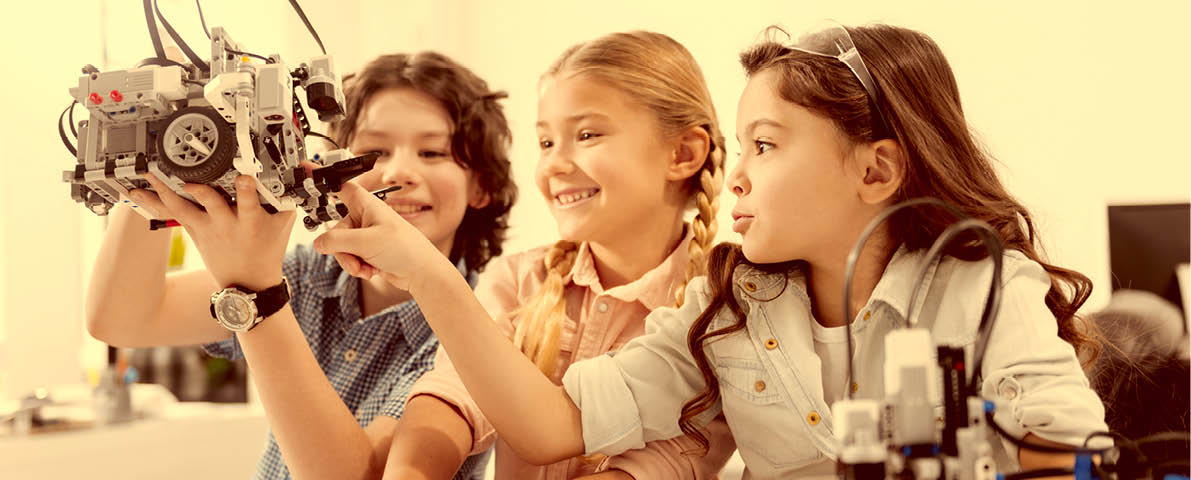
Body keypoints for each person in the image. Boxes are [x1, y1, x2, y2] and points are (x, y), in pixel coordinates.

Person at [313, 23, 1108, 478]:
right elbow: (555, 426)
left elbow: (1065, 447)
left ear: (875, 169)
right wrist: (421, 266)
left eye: (764, 146)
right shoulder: (728, 309)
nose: (739, 177)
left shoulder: (983, 289)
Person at [85, 51, 515, 480]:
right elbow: (123, 319)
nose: (398, 172)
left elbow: (360, 476)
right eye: (375, 151)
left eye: (434, 152)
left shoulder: (478, 326)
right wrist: (153, 156)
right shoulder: (309, 277)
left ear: (481, 186)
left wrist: (258, 295)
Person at [383, 31, 735, 480]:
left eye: (586, 135)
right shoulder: (515, 280)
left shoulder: (722, 310)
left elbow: (663, 464)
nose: (553, 164)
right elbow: (451, 396)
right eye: (546, 143)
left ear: (682, 154)